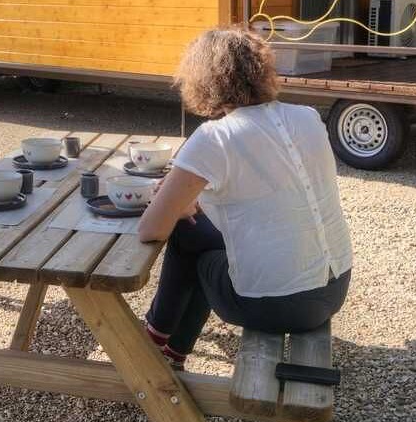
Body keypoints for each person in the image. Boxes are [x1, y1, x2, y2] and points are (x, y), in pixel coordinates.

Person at [137, 25, 353, 370]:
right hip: (334, 287)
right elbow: (263, 198)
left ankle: (156, 336)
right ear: (262, 71)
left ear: (202, 80)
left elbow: (151, 230)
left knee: (185, 235)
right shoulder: (307, 117)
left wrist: (178, 205)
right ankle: (171, 350)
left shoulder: (215, 137)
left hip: (276, 304)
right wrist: (190, 204)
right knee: (195, 228)